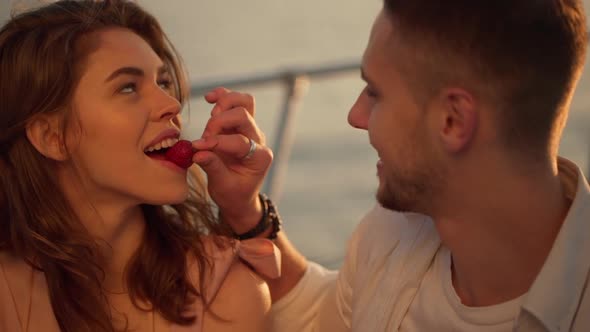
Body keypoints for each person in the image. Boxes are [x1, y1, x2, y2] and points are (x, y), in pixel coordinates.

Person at [210, 0, 590, 331]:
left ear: (453, 121)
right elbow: (325, 321)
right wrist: (245, 211)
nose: (355, 115)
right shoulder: (390, 232)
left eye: (375, 91)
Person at [0, 1, 281, 331]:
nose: (172, 104)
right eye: (128, 87)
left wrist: (243, 207)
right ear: (53, 137)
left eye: (162, 82)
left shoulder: (225, 291)